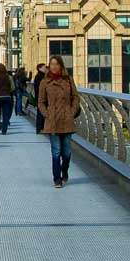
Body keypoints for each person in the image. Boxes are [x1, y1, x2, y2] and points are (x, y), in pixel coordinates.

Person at [37, 56, 80, 187]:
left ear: (61, 66)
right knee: (56, 151)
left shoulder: (68, 80)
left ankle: (64, 170)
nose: (54, 67)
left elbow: (75, 97)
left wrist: (72, 112)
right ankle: (57, 179)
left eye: (57, 64)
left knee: (66, 152)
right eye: (52, 64)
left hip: (66, 118)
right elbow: (41, 101)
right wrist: (46, 114)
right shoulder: (45, 82)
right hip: (52, 119)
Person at [0, 63, 14, 134]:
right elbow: (13, 87)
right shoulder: (9, 77)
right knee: (5, 114)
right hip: (7, 97)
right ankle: (4, 130)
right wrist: (7, 91)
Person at [32, 62, 48, 133]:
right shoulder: (40, 77)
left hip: (39, 97)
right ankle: (40, 128)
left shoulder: (39, 76)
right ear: (40, 68)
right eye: (44, 67)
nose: (45, 69)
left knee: (41, 112)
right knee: (41, 113)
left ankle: (41, 128)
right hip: (41, 98)